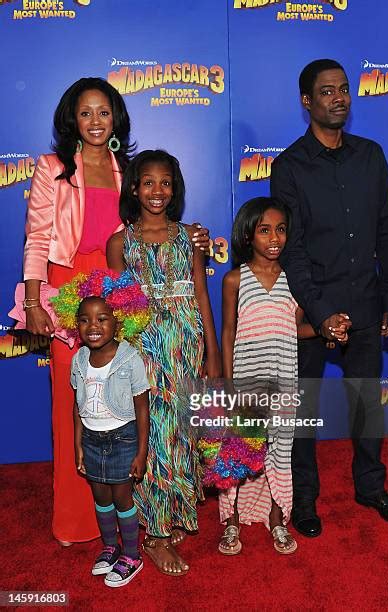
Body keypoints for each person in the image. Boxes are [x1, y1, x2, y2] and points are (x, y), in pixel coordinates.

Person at [21, 77, 209, 545]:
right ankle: (77, 520)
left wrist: (197, 237)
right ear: (72, 118)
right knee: (77, 407)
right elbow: (38, 238)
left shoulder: (129, 169)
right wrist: (32, 299)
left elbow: (153, 226)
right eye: (85, 113)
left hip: (125, 293)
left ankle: (135, 513)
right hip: (71, 294)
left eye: (104, 112)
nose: (95, 121)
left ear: (116, 118)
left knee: (126, 406)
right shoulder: (53, 167)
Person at [270, 58, 388, 537]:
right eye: (327, 91)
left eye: (344, 90)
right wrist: (321, 311)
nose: (339, 98)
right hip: (313, 310)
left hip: (368, 300)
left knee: (366, 403)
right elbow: (293, 251)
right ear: (307, 101)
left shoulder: (371, 155)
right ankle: (304, 498)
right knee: (306, 408)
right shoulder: (289, 166)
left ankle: (371, 487)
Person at [107, 149, 222, 575]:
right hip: (145, 352)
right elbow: (119, 310)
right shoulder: (120, 243)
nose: (158, 191)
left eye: (166, 183)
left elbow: (201, 296)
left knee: (181, 438)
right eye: (148, 182)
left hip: (186, 349)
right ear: (134, 188)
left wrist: (213, 354)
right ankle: (152, 536)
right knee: (152, 439)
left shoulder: (189, 236)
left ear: (176, 189)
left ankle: (171, 513)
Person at [51, 269, 151, 587]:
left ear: (118, 322)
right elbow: (77, 407)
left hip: (123, 439)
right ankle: (111, 547)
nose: (93, 326)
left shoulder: (130, 358)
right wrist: (79, 446)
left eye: (102, 319)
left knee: (122, 498)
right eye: (84, 319)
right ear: (75, 323)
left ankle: (132, 555)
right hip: (92, 441)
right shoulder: (79, 359)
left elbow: (142, 407)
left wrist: (141, 451)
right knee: (101, 497)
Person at [218, 197, 298, 556]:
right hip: (247, 385)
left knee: (281, 453)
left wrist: (329, 329)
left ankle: (278, 519)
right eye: (264, 230)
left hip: (284, 383)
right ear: (248, 235)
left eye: (280, 229)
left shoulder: (293, 279)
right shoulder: (235, 279)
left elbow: (298, 327)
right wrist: (229, 385)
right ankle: (231, 521)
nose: (274, 237)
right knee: (239, 451)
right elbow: (227, 332)